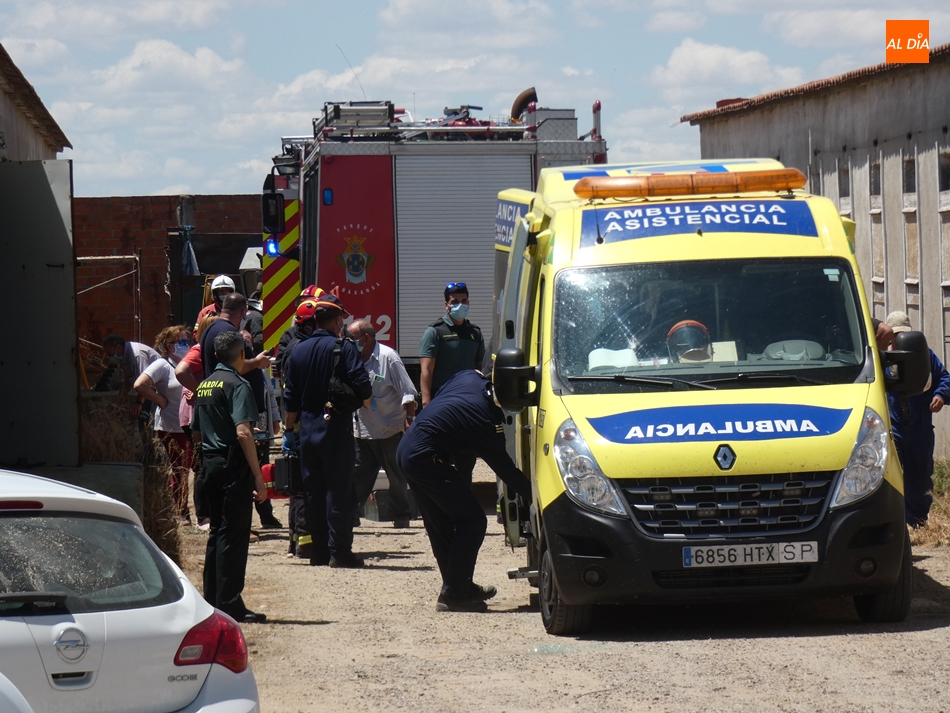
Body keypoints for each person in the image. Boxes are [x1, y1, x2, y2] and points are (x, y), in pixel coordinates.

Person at [396, 370, 531, 613]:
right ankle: (455, 594)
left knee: (441, 525)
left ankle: (458, 587)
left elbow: (441, 398)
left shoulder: (471, 377)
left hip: (408, 449)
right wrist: (538, 497)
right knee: (473, 521)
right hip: (426, 458)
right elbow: (506, 470)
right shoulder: (486, 420)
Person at [283, 292, 372, 568]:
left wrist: (288, 431)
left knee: (313, 491)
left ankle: (319, 552)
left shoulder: (297, 350)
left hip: (306, 429)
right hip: (336, 426)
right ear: (336, 320)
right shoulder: (343, 347)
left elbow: (291, 398)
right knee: (340, 489)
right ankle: (340, 552)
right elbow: (364, 386)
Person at [190, 329, 268, 624]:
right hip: (233, 463)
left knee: (217, 533)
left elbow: (197, 432)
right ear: (242, 355)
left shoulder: (205, 385)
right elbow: (243, 431)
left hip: (210, 463)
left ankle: (211, 599)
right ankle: (231, 603)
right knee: (234, 536)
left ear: (213, 355)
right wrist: (257, 477)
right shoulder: (239, 384)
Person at [347, 319, 418, 528]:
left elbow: (408, 392)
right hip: (362, 430)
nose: (349, 342)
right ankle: (351, 514)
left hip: (389, 429)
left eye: (352, 338)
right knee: (359, 475)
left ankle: (401, 515)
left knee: (396, 477)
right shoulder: (352, 358)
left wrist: (410, 420)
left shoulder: (388, 358)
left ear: (365, 338)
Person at [884, 311, 950, 527]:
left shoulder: (924, 355)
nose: (898, 339)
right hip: (893, 427)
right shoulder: (882, 358)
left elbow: (944, 378)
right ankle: (894, 523)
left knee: (920, 477)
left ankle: (917, 522)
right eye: (895, 335)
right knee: (890, 478)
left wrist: (940, 395)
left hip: (919, 427)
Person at [419, 282, 485, 485]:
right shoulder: (435, 332)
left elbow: (479, 370)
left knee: (467, 459)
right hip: (442, 405)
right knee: (442, 458)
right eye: (454, 301)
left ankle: (464, 506)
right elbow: (426, 371)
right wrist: (426, 402)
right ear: (446, 305)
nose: (460, 305)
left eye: (464, 301)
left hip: (468, 407)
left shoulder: (474, 332)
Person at [134, 325, 193, 523]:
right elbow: (140, 384)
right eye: (183, 342)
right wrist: (160, 400)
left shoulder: (189, 363)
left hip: (191, 426)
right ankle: (180, 512)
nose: (187, 345)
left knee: (193, 470)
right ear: (170, 346)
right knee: (179, 471)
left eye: (188, 341)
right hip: (171, 427)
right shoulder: (162, 365)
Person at [175, 314, 219, 530]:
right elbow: (181, 371)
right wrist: (201, 392)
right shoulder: (200, 350)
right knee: (201, 465)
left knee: (206, 463)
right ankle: (203, 517)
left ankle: (208, 513)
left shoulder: (209, 350)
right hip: (194, 415)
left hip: (202, 414)